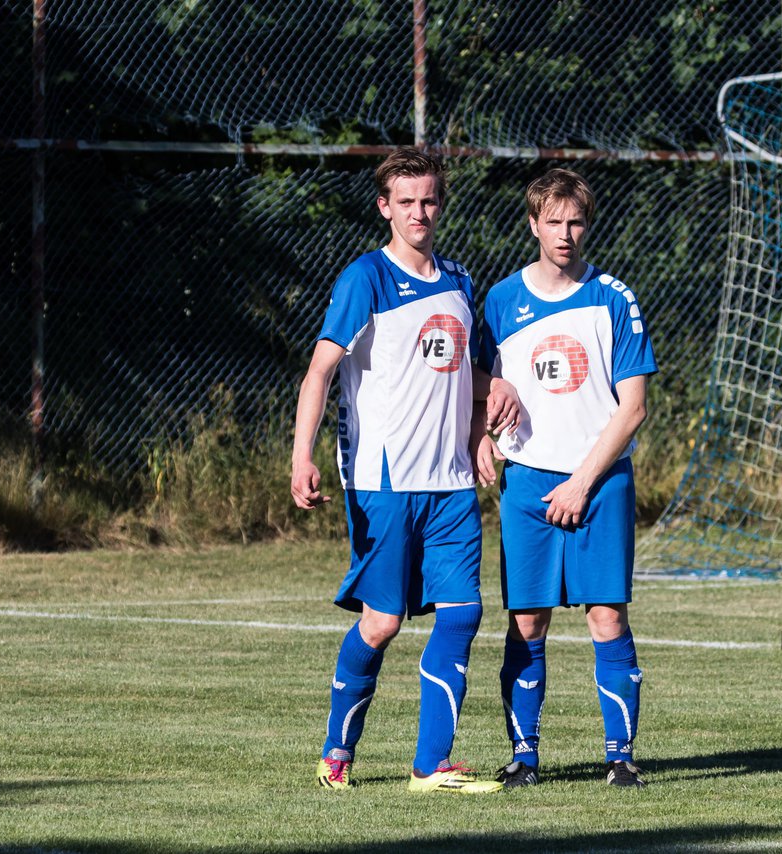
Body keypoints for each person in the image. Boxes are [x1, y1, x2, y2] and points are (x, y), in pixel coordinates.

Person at [291, 146, 517, 795]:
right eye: (406, 201)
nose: (420, 212)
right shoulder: (366, 278)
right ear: (385, 207)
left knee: (462, 613)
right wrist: (301, 455)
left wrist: (487, 413)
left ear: (440, 205)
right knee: (382, 623)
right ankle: (337, 752)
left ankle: (431, 765)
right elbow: (320, 371)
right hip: (383, 482)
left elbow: (460, 372)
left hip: (450, 484)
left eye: (429, 200)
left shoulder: (459, 280)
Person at [475, 168, 657, 788]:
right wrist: (481, 434)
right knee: (527, 622)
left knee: (607, 616)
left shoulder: (614, 297)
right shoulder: (500, 302)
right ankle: (524, 758)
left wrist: (583, 479)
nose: (565, 233)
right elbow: (478, 389)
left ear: (588, 224)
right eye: (553, 221)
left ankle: (620, 757)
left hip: (600, 482)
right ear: (533, 225)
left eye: (575, 221)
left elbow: (633, 407)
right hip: (526, 483)